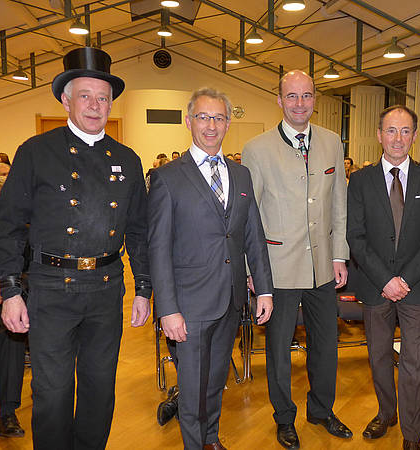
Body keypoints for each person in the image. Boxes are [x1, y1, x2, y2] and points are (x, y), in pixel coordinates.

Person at [0, 47, 152, 450]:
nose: (95, 105)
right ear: (65, 99)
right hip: (51, 288)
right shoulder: (35, 152)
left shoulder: (128, 160)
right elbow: (8, 227)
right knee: (53, 392)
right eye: (85, 95)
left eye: (103, 97)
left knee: (100, 389)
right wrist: (11, 290)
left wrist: (144, 289)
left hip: (106, 287)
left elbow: (139, 230)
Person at [148, 87, 273, 449]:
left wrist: (264, 289)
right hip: (188, 305)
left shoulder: (242, 174)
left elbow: (254, 235)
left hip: (231, 299)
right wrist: (167, 309)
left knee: (216, 380)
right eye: (203, 117)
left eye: (218, 118)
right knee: (191, 388)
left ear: (228, 123)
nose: (211, 125)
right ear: (189, 121)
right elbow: (158, 248)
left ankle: (210, 438)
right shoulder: (167, 177)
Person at [242, 70, 351, 449]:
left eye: (306, 96)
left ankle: (321, 410)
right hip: (277, 269)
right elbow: (250, 215)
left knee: (326, 345)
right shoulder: (256, 149)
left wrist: (340, 254)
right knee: (279, 351)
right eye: (292, 96)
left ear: (315, 98)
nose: (300, 103)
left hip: (323, 267)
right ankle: (283, 417)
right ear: (279, 100)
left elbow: (339, 202)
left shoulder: (332, 142)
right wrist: (253, 272)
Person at [347, 105, 420, 450]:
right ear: (379, 135)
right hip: (375, 287)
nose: (398, 138)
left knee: (414, 363)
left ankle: (411, 434)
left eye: (405, 131)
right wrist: (385, 280)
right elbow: (355, 237)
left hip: (416, 287)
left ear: (415, 136)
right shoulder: (360, 181)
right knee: (378, 356)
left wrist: (404, 279)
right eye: (391, 130)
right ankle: (386, 412)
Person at [0, 176, 27, 438]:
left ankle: (7, 414)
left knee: (12, 335)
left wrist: (5, 290)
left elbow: (28, 273)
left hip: (3, 303)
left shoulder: (20, 233)